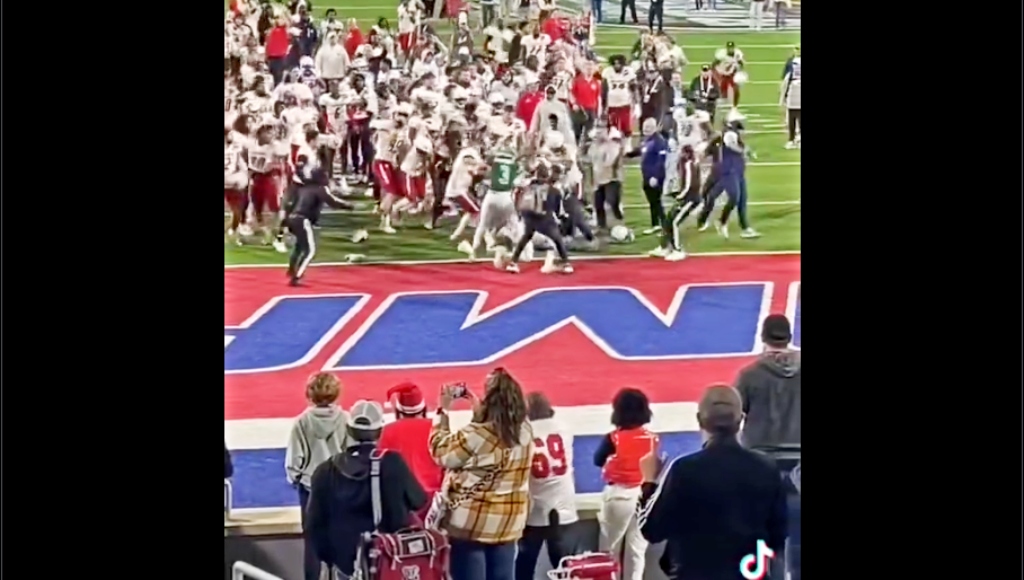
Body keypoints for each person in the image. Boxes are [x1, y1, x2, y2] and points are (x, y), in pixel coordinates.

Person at [636, 385, 788, 580]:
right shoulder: (766, 468)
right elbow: (778, 534)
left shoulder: (684, 470)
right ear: (741, 420)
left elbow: (651, 530)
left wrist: (649, 482)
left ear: (700, 420)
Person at [428, 368, 535, 580]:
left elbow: (440, 452)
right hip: (508, 526)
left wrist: (443, 410)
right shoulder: (526, 431)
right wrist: (479, 413)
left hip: (471, 526)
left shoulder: (477, 434)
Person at [305, 400, 428, 580]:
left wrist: (330, 558)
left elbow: (314, 525)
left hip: (345, 564)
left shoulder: (324, 471)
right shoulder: (392, 463)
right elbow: (419, 500)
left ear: (348, 429)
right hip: (387, 562)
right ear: (380, 431)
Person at [285, 372, 350, 580]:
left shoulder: (302, 423)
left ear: (309, 394)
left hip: (310, 487)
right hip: (339, 486)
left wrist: (296, 479)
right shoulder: (346, 420)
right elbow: (350, 453)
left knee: (311, 541)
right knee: (340, 537)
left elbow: (294, 460)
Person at [594, 388, 657, 580]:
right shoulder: (652, 438)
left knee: (609, 550)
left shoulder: (613, 438)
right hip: (643, 496)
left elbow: (598, 460)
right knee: (636, 551)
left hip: (619, 494)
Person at [515, 392, 579, 580]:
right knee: (567, 569)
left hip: (534, 508)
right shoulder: (564, 429)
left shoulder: (522, 435)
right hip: (563, 507)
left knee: (524, 567)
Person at [378, 382, 445, 520]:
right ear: (424, 408)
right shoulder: (437, 428)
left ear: (397, 411)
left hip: (400, 504)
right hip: (433, 502)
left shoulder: (387, 431)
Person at [735, 314, 801, 449]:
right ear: (789, 338)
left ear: (763, 338)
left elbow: (735, 412)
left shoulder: (749, 375)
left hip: (759, 454)